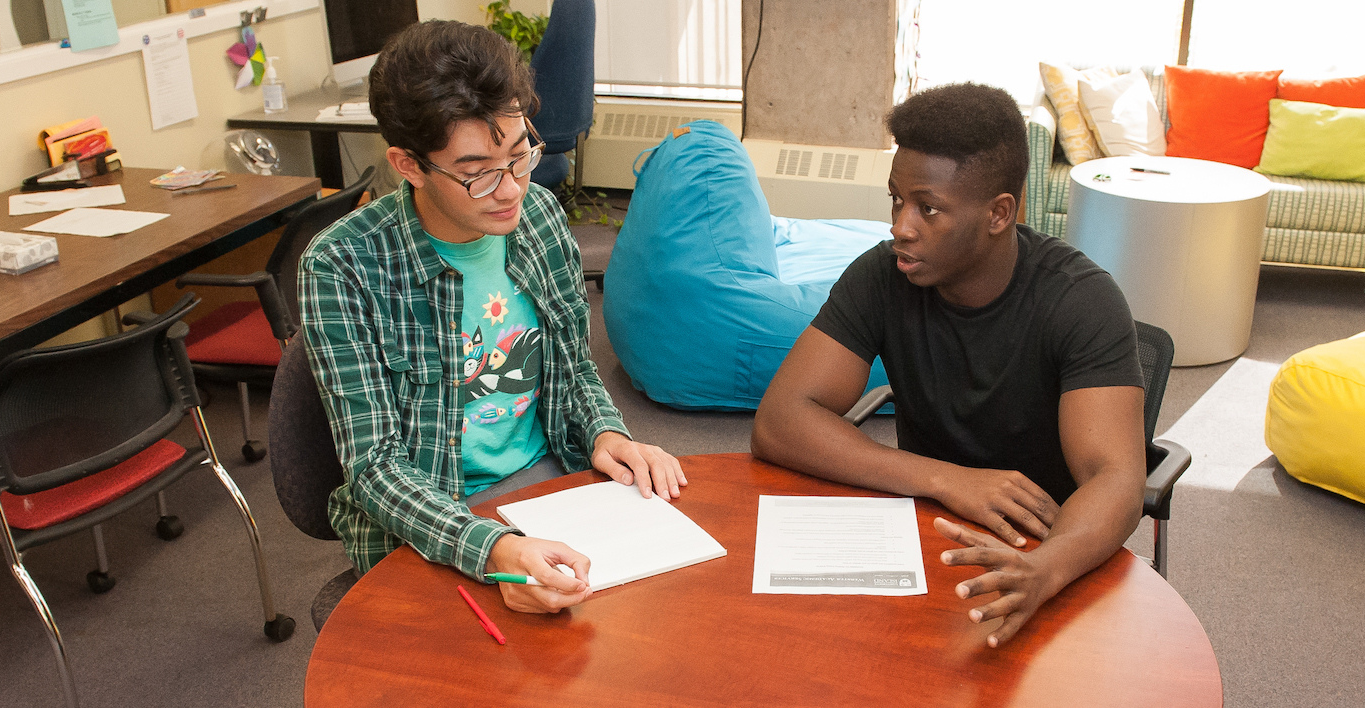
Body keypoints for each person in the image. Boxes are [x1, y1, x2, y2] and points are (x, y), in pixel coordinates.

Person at [298, 20, 685, 614]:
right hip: (429, 513)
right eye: (477, 171)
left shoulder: (540, 219)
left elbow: (572, 370)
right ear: (408, 165)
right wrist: (495, 549)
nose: (511, 189)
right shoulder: (343, 265)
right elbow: (374, 468)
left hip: (550, 480)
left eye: (520, 153)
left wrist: (606, 432)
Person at [751, 82, 1146, 648]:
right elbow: (779, 420)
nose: (900, 226)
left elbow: (1116, 479)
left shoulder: (1081, 300)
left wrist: (1046, 568)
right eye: (896, 200)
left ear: (998, 213)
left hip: (1049, 555)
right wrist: (945, 479)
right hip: (923, 532)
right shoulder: (883, 275)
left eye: (928, 208)